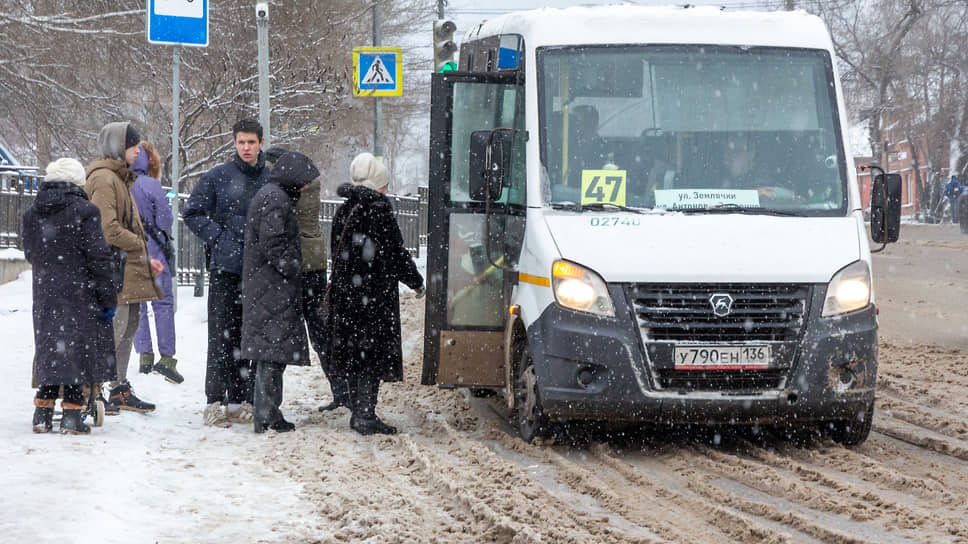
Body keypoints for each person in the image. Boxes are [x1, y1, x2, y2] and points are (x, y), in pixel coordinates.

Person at [328, 153, 424, 436]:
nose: (386, 189)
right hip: (374, 297)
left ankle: (359, 411)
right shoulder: (379, 212)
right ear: (378, 183)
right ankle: (365, 415)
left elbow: (337, 252)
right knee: (370, 355)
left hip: (348, 296)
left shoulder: (344, 210)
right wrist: (415, 282)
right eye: (384, 184)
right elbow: (396, 254)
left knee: (355, 354)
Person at [184, 118, 270, 427]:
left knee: (249, 335)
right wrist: (219, 238)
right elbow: (191, 212)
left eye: (251, 142)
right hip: (225, 268)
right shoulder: (218, 177)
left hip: (258, 271)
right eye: (241, 142)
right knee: (220, 335)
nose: (246, 147)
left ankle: (241, 398)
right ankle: (214, 400)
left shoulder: (270, 179)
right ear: (234, 143)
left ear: (261, 142)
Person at [23, 158, 118, 434]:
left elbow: (30, 253)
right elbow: (99, 257)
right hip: (80, 293)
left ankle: (42, 412)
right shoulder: (85, 211)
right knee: (78, 352)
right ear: (78, 183)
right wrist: (107, 297)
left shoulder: (32, 213)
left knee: (51, 349)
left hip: (45, 293)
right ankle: (72, 416)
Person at [86, 121, 164, 414]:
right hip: (113, 269)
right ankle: (94, 389)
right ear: (119, 147)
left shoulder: (120, 178)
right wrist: (139, 244)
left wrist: (144, 256)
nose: (138, 150)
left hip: (126, 267)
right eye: (133, 145)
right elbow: (108, 230)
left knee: (128, 326)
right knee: (113, 330)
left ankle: (117, 386)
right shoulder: (105, 179)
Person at [242, 151, 319, 433]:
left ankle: (269, 412)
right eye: (303, 182)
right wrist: (292, 266)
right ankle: (267, 415)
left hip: (268, 287)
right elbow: (272, 241)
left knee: (270, 353)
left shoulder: (272, 195)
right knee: (271, 355)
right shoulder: (276, 198)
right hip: (271, 289)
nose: (305, 187)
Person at [262, 146, 343, 412]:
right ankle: (343, 390)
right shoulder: (309, 181)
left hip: (298, 264)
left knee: (284, 332)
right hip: (313, 263)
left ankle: (268, 401)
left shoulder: (294, 189)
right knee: (321, 330)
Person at [130, 141, 182, 384]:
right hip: (153, 252)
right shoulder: (152, 184)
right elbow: (164, 221)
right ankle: (167, 359)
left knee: (137, 305)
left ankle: (145, 357)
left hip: (129, 251)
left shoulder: (118, 183)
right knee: (162, 305)